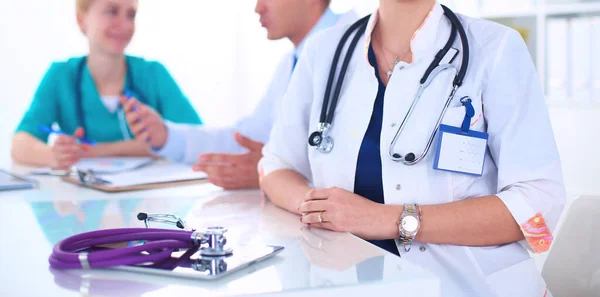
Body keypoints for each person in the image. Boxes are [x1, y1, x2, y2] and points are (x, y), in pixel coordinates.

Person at [259, 0, 566, 296]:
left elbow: (538, 203)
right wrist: (324, 211)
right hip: (344, 281)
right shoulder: (324, 51)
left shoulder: (496, 48)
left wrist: (387, 219)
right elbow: (275, 166)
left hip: (467, 284)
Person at [120, 0, 357, 189]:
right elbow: (247, 137)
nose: (258, 8)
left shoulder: (359, 48)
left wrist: (276, 178)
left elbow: (367, 170)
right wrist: (167, 136)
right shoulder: (293, 62)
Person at [11, 0, 202, 169]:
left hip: (149, 201)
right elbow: (20, 144)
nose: (125, 24)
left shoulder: (153, 74)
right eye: (112, 11)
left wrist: (98, 150)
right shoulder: (61, 76)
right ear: (82, 20)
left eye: (131, 14)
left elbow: (195, 140)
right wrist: (55, 155)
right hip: (82, 201)